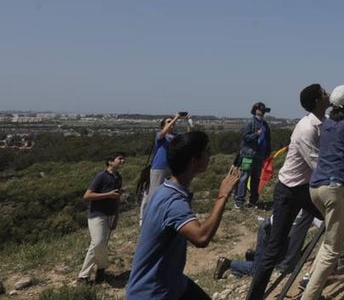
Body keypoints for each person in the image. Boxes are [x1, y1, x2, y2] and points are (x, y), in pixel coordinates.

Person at [126, 131, 239, 300]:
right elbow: (201, 237)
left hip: (171, 283)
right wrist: (223, 195)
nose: (210, 155)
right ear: (194, 160)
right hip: (153, 293)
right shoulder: (173, 202)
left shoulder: (164, 189)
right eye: (206, 151)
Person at [244, 84, 328, 300]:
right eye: (324, 93)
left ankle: (313, 280)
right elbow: (318, 166)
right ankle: (254, 296)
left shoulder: (322, 123)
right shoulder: (306, 129)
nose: (328, 95)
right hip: (289, 192)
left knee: (334, 220)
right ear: (318, 101)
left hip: (304, 187)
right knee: (274, 246)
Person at [301, 83, 344, 300]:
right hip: (334, 188)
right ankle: (309, 296)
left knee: (329, 241)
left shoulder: (328, 124)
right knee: (332, 250)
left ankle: (311, 285)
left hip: (316, 187)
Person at [78, 152, 126, 284]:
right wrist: (107, 195)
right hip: (97, 214)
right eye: (120, 159)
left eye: (123, 159)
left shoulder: (118, 177)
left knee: (100, 245)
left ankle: (87, 275)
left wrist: (116, 216)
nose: (123, 161)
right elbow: (87, 196)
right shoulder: (101, 176)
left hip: (110, 214)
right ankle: (100, 268)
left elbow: (116, 199)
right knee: (98, 243)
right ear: (110, 162)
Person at [138, 113, 185, 221]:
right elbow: (163, 133)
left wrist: (188, 121)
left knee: (169, 190)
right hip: (159, 167)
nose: (172, 124)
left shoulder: (176, 137)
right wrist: (176, 118)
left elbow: (188, 136)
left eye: (172, 122)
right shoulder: (159, 135)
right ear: (163, 125)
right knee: (154, 192)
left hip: (171, 167)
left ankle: (162, 213)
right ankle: (146, 216)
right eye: (168, 122)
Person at [236, 101, 272, 209]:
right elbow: (245, 137)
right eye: (260, 109)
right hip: (248, 155)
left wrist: (267, 153)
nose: (262, 112)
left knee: (256, 178)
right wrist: (256, 134)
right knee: (244, 177)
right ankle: (239, 202)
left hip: (259, 156)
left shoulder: (265, 125)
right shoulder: (250, 123)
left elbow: (268, 140)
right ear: (255, 110)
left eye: (263, 110)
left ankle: (253, 201)